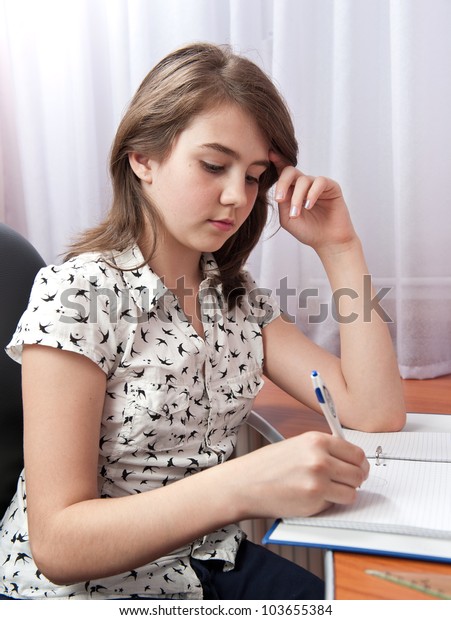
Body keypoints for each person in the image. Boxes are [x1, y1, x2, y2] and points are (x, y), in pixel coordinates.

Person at [0, 42, 405, 600]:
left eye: (257, 175)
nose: (238, 196)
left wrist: (340, 247)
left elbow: (376, 410)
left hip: (209, 564)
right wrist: (243, 486)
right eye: (214, 166)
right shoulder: (78, 294)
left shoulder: (236, 298)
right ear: (143, 157)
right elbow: (58, 543)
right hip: (89, 594)